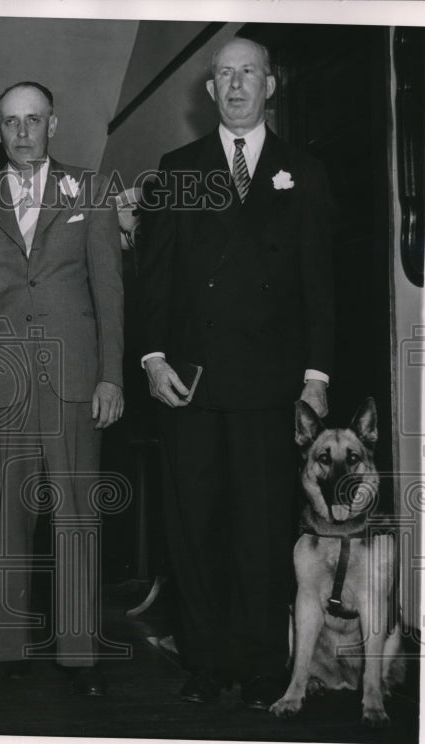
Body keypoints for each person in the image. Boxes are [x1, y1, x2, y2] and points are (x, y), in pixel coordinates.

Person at [139, 37, 335, 709]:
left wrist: (315, 374)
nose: (237, 84)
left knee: (259, 527)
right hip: (190, 380)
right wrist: (152, 356)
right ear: (210, 91)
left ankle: (257, 663)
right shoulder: (177, 169)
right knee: (193, 527)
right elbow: (154, 277)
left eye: (249, 73)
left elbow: (320, 283)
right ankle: (206, 661)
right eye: (224, 74)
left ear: (270, 86)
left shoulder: (301, 171)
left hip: (270, 383)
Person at [0, 82, 124, 696]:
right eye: (10, 122)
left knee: (77, 518)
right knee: (12, 514)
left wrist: (112, 374)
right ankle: (11, 645)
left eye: (33, 120)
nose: (22, 131)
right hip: (6, 379)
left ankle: (79, 655)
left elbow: (109, 288)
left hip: (76, 376)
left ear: (53, 124)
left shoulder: (92, 188)